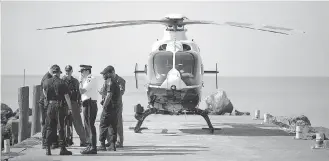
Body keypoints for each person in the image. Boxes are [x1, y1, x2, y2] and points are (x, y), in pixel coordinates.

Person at [42, 65, 73, 155]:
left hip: (50, 106)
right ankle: (62, 148)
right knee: (60, 127)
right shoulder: (62, 82)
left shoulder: (46, 82)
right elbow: (66, 96)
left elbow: (44, 92)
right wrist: (70, 108)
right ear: (59, 73)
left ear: (52, 72)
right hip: (59, 106)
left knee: (49, 127)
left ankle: (48, 149)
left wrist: (48, 100)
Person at [97, 65, 122, 151]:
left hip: (109, 108)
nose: (103, 75)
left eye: (105, 74)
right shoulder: (114, 82)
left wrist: (104, 105)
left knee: (103, 125)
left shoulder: (110, 82)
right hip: (114, 108)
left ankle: (102, 145)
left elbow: (109, 95)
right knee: (112, 126)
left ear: (110, 73)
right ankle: (112, 145)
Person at [62, 65, 88, 147]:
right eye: (66, 70)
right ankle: (65, 141)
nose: (67, 72)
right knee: (64, 124)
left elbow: (79, 94)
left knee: (78, 123)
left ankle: (83, 141)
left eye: (69, 70)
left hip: (73, 104)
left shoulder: (75, 81)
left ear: (71, 71)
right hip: (64, 104)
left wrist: (80, 105)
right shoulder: (62, 80)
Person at [79, 65, 98, 154]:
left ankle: (93, 147)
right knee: (87, 125)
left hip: (90, 103)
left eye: (82, 71)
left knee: (90, 125)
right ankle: (89, 145)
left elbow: (82, 91)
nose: (81, 74)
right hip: (87, 103)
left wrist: (79, 81)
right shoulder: (87, 79)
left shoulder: (90, 78)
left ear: (87, 71)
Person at [105, 72, 125, 148]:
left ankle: (120, 142)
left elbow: (121, 92)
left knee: (118, 123)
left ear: (112, 72)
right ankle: (111, 141)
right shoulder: (108, 80)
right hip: (109, 104)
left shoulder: (120, 80)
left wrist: (113, 91)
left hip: (117, 104)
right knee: (108, 123)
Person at [39, 67, 53, 149]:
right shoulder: (47, 78)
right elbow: (45, 91)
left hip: (44, 102)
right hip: (44, 102)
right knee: (45, 122)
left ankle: (46, 142)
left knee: (46, 122)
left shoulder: (48, 76)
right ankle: (44, 142)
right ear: (51, 70)